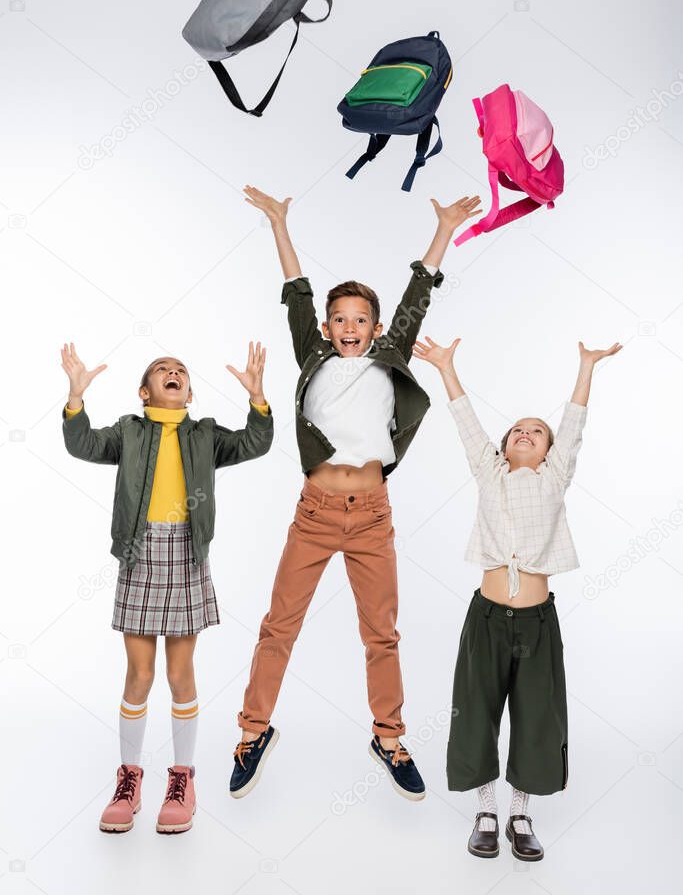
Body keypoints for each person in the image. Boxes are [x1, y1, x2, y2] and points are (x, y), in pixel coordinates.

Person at [229, 185, 482, 802]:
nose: (349, 327)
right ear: (326, 327)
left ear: (374, 327)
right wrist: (279, 224)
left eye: (360, 319)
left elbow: (419, 294)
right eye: (339, 319)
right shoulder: (312, 352)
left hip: (371, 516)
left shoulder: (389, 353)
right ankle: (253, 731)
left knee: (382, 633)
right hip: (314, 512)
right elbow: (296, 291)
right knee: (278, 626)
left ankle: (389, 738)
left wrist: (445, 227)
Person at [412, 334, 621, 860]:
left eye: (537, 432)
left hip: (535, 624)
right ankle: (485, 808)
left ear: (550, 452)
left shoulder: (554, 478)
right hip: (485, 619)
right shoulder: (491, 473)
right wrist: (444, 367)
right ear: (505, 446)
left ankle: (521, 813)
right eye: (518, 430)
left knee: (535, 716)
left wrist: (586, 367)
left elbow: (573, 425)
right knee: (476, 710)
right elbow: (466, 423)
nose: (526, 433)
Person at [61, 342, 273, 833]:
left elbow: (254, 443)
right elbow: (82, 445)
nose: (172, 372)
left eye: (179, 370)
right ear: (145, 391)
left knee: (180, 675)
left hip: (186, 553)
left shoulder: (204, 435)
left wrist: (258, 399)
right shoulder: (129, 432)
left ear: (189, 392)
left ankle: (182, 779)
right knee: (139, 676)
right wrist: (75, 399)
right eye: (161, 369)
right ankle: (129, 779)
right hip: (139, 553)